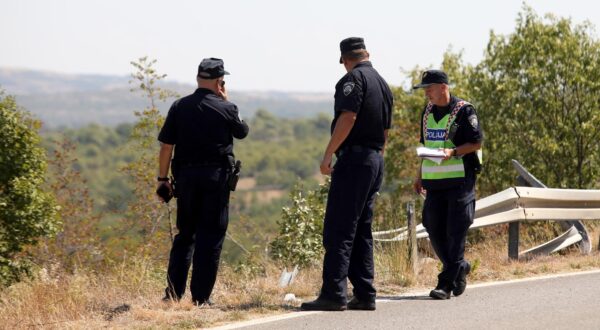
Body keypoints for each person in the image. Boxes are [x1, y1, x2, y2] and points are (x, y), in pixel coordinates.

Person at [301, 37, 393, 311]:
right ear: (367, 54)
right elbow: (386, 130)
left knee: (339, 229)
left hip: (355, 160)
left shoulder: (353, 79)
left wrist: (329, 153)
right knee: (362, 229)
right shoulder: (383, 84)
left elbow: (348, 117)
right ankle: (365, 293)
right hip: (374, 158)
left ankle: (333, 293)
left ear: (345, 59)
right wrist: (376, 159)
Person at [156, 58, 249, 306]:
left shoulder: (179, 106)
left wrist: (162, 179)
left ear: (198, 78)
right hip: (215, 180)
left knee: (185, 235)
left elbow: (166, 146)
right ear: (220, 81)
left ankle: (173, 295)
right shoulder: (227, 108)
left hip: (185, 180)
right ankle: (200, 299)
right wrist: (226, 101)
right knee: (211, 237)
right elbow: (242, 131)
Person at [412, 69, 483, 300]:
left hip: (460, 180)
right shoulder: (427, 112)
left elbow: (476, 143)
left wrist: (452, 151)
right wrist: (419, 174)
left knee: (456, 229)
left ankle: (445, 283)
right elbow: (426, 145)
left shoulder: (464, 110)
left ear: (443, 87)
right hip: (434, 182)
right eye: (424, 90)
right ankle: (460, 266)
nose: (426, 94)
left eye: (429, 89)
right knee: (432, 225)